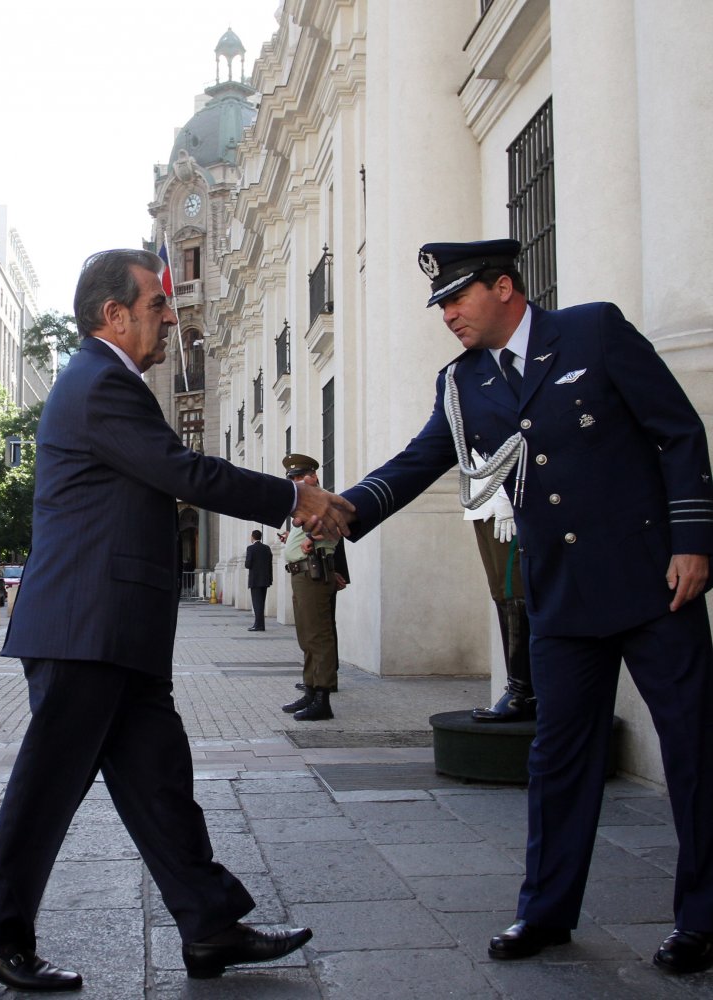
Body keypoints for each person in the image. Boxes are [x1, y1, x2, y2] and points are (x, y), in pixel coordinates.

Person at [0, 248, 354, 992]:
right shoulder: (100, 384)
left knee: (159, 781)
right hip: (86, 628)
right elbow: (185, 473)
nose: (171, 317)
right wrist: (293, 498)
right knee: (47, 787)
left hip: (113, 630)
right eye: (156, 305)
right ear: (114, 315)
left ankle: (208, 925)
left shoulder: (107, 383)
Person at [341, 239, 713, 974]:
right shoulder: (464, 383)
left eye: (456, 298)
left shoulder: (593, 332)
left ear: (504, 286)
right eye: (440, 304)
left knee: (694, 750)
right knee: (558, 762)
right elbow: (421, 460)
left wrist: (695, 539)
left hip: (652, 581)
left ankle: (702, 919)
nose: (446, 314)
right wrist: (342, 510)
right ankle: (545, 913)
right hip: (562, 596)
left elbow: (678, 432)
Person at [464, 457, 535, 722]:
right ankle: (517, 688)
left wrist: (508, 499)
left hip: (503, 504)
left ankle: (522, 691)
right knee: (502, 596)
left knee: (515, 594)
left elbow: (516, 446)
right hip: (483, 504)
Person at [281, 454, 350, 722]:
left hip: (313, 570)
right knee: (307, 636)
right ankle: (310, 690)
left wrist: (311, 537)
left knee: (318, 636)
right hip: (301, 573)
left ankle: (322, 698)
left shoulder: (322, 500)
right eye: (294, 478)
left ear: (314, 476)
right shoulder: (305, 503)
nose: (297, 481)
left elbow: (334, 527)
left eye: (301, 476)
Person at [243, 529, 273, 631]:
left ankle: (258, 625)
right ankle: (260, 625)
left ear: (252, 537)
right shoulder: (267, 548)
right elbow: (270, 564)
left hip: (255, 580)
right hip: (265, 580)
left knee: (257, 603)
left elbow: (247, 564)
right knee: (261, 603)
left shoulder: (250, 548)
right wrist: (270, 579)